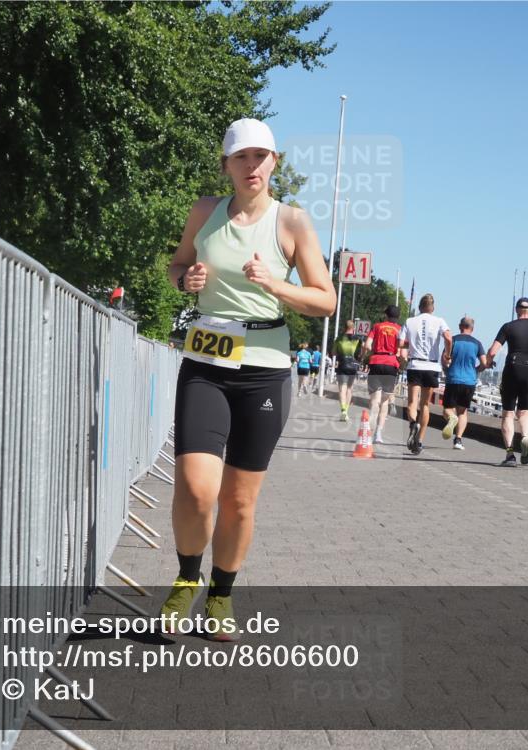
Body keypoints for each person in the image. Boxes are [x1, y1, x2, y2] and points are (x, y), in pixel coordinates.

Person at [164, 117, 335, 638]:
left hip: (264, 369)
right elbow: (176, 265)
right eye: (241, 157)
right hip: (206, 363)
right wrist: (184, 278)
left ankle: (221, 594)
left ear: (274, 163)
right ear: (226, 165)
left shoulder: (293, 223)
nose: (252, 165)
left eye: (261, 156)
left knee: (239, 499)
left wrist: (277, 286)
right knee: (196, 489)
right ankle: (186, 580)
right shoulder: (204, 211)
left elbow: (325, 299)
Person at [485, 297, 528, 466]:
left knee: (508, 413)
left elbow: (492, 351)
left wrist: (488, 361)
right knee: (524, 413)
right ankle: (526, 437)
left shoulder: (508, 327)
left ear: (516, 310)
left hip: (512, 369)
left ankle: (509, 455)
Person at [399, 293, 451, 455]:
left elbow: (401, 344)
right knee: (425, 405)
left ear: (420, 307)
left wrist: (406, 354)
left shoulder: (409, 321)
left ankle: (413, 423)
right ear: (432, 308)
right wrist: (447, 355)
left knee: (412, 403)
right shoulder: (439, 321)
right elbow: (449, 338)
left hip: (415, 364)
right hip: (431, 366)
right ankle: (419, 441)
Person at [441, 316, 487, 450]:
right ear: (472, 329)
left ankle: (451, 418)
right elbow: (484, 363)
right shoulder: (477, 343)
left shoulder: (453, 340)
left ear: (460, 326)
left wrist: (446, 370)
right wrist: (476, 370)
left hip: (453, 379)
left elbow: (444, 359)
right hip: (469, 381)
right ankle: (458, 440)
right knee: (463, 412)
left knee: (448, 410)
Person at [361, 305, 402, 444]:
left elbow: (367, 345)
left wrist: (363, 355)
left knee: (374, 401)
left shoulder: (377, 327)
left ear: (386, 315)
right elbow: (402, 351)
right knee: (385, 401)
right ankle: (378, 434)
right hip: (391, 364)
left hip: (376, 362)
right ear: (397, 317)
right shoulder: (399, 330)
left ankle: (368, 432)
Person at [332, 320, 362, 421]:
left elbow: (334, 353)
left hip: (342, 364)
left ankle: (343, 410)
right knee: (350, 388)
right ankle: (347, 411)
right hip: (353, 365)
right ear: (353, 328)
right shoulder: (358, 339)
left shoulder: (339, 339)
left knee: (342, 388)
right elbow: (360, 353)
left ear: (344, 327)